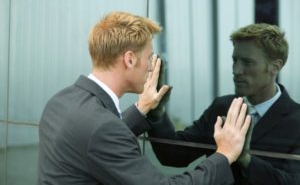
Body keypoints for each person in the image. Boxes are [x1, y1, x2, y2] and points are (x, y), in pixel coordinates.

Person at [38, 11, 251, 185]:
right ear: (130, 59)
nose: (152, 66)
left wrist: (141, 108)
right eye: (149, 58)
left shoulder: (60, 101)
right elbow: (102, 135)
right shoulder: (102, 128)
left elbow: (93, 142)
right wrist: (224, 154)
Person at [141, 23, 300, 185]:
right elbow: (173, 156)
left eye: (247, 62)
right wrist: (157, 112)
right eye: (235, 60)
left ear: (275, 67)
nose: (236, 70)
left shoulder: (297, 121)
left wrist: (245, 160)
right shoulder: (222, 106)